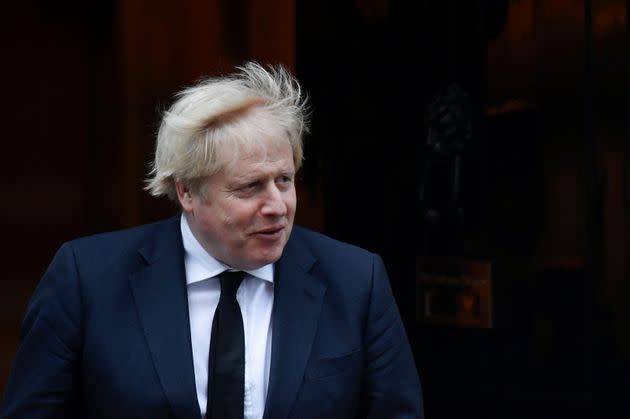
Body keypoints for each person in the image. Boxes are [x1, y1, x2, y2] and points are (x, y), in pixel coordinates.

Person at [0, 62, 423, 418]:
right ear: (187, 192)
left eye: (284, 180)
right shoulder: (87, 280)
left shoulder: (355, 281)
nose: (277, 205)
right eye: (250, 187)